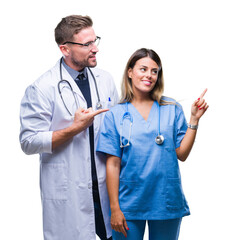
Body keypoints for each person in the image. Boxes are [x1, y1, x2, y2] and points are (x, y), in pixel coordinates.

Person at [19, 15, 119, 240]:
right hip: (70, 190)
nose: (95, 49)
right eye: (87, 44)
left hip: (106, 187)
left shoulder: (105, 80)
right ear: (65, 49)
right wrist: (74, 129)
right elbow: (28, 142)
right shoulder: (42, 88)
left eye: (95, 41)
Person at [96, 48, 208, 240]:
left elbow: (181, 154)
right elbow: (112, 164)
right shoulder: (115, 114)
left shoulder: (172, 108)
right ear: (130, 72)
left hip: (165, 200)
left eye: (154, 71)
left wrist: (194, 119)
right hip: (128, 203)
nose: (149, 75)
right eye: (143, 69)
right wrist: (114, 208)